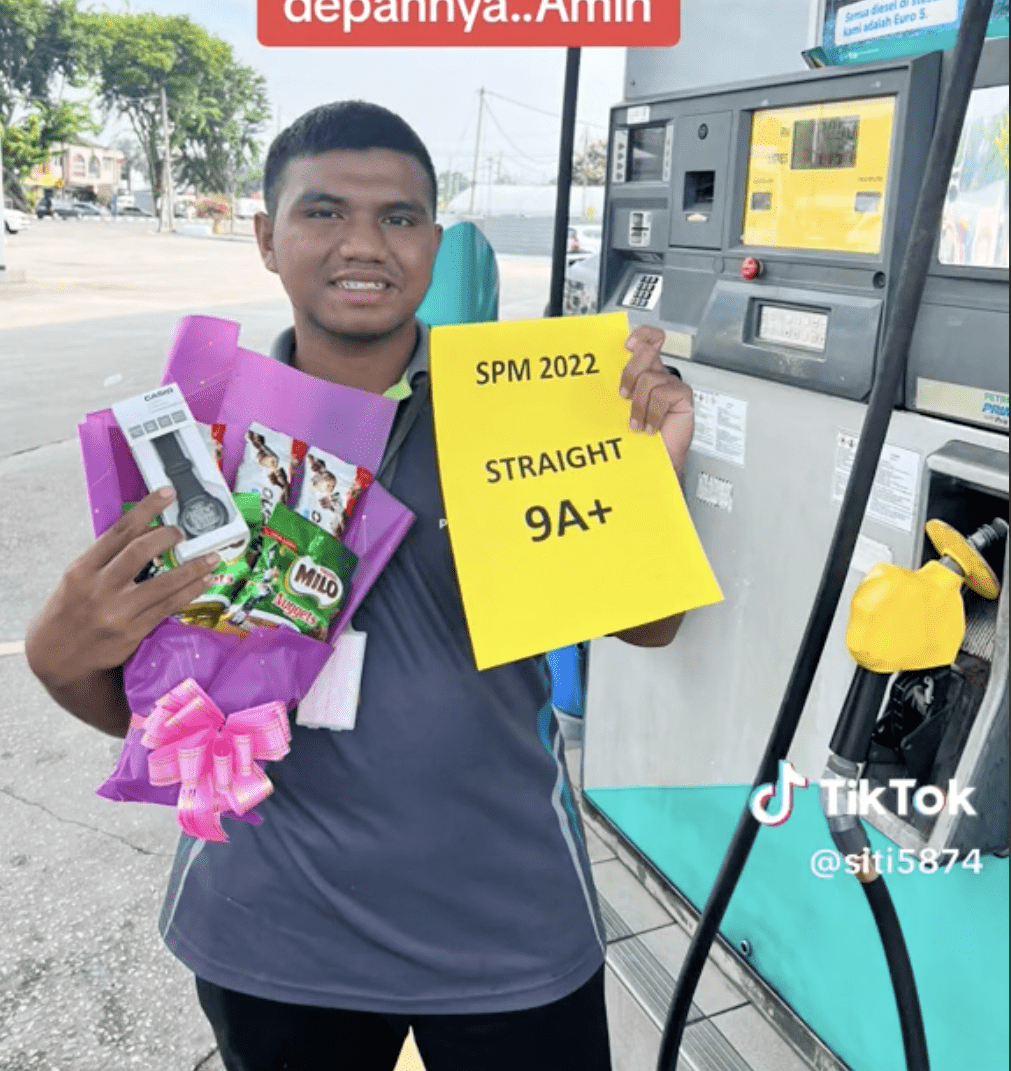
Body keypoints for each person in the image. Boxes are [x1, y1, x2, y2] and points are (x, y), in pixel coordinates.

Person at [26, 101, 695, 1071]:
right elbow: (155, 710)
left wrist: (644, 472)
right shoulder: (197, 437)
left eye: (399, 217)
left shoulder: (527, 409)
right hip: (272, 934)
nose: (364, 244)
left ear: (435, 242)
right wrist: (57, 654)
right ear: (267, 237)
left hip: (509, 926)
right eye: (324, 212)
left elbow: (649, 626)